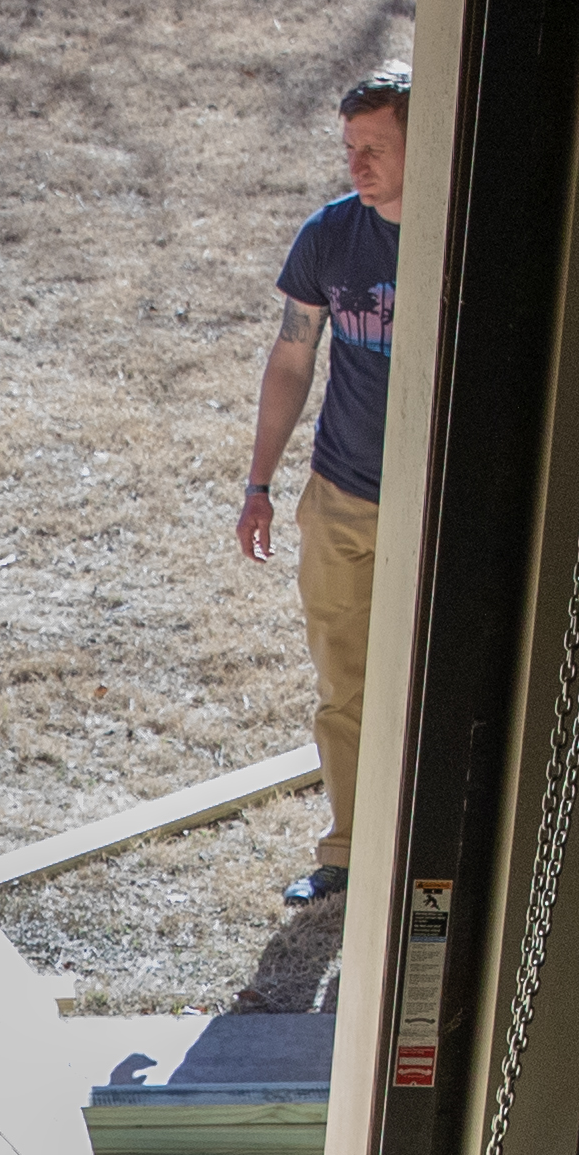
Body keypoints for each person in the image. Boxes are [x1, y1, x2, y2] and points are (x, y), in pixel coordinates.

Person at [235, 67, 413, 924]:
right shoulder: (330, 237)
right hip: (342, 494)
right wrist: (259, 483)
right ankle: (347, 852)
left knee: (425, 681)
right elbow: (292, 359)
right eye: (350, 150)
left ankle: (419, 847)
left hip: (433, 505)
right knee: (344, 684)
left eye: (376, 148)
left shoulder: (459, 238)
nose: (359, 166)